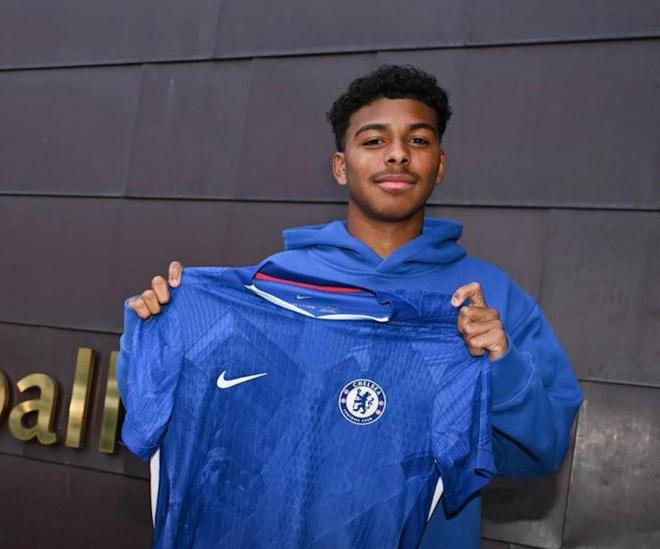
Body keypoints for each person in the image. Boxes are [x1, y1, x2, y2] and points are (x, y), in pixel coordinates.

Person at [124, 64, 583, 548]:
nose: (398, 155)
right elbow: (159, 421)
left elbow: (542, 450)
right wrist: (157, 328)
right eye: (374, 140)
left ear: (440, 165)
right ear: (341, 166)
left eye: (418, 140)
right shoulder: (272, 288)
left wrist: (501, 366)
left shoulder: (490, 299)